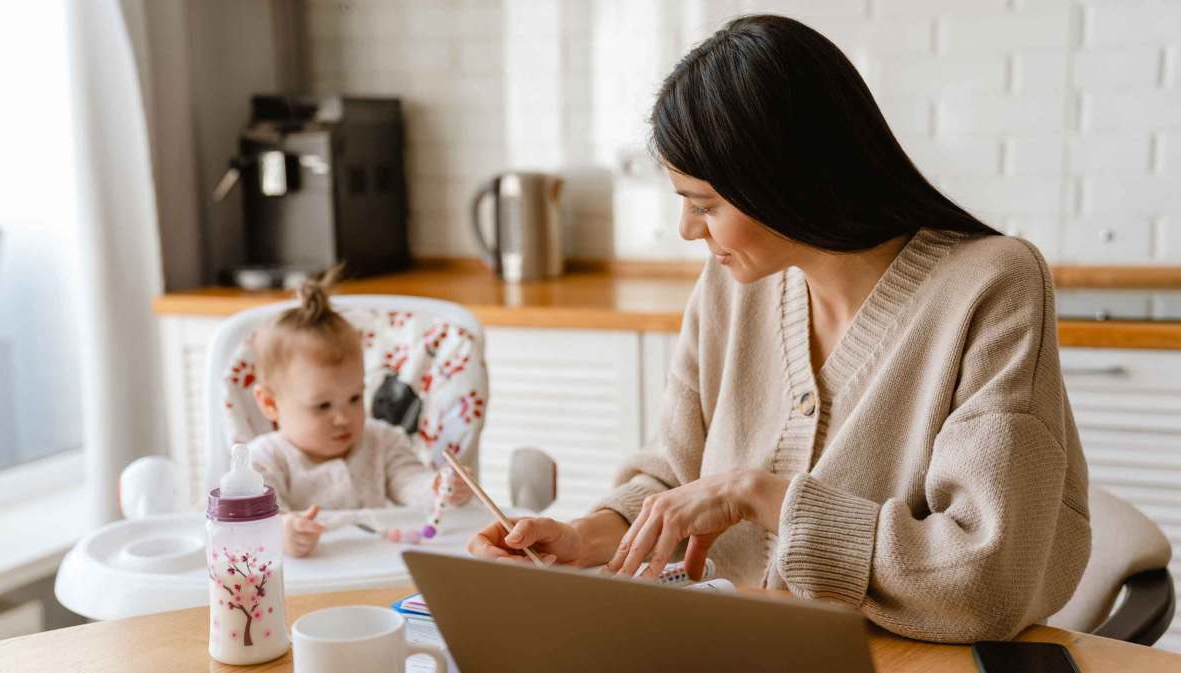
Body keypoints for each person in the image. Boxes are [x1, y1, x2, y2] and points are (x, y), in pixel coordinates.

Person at [468, 15, 1090, 643]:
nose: (688, 230)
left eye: (705, 205)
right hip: (721, 648)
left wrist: (760, 495)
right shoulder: (729, 286)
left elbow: (989, 577)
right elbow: (675, 473)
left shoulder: (990, 286)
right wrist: (583, 539)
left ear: (781, 179)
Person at [248, 268, 470, 557]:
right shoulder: (264, 462)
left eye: (354, 397)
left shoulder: (382, 441)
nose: (344, 417)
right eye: (322, 406)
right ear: (270, 403)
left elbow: (410, 483)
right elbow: (251, 529)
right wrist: (283, 534)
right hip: (304, 586)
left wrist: (439, 488)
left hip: (376, 570)